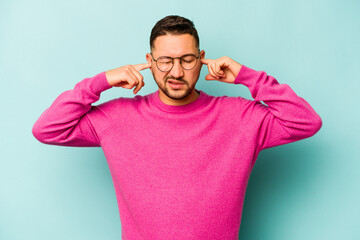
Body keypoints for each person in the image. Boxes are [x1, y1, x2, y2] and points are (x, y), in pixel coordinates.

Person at [32, 15, 322, 240]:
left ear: (200, 59)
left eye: (186, 60)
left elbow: (306, 121)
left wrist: (248, 77)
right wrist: (101, 82)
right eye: (165, 61)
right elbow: (47, 129)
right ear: (149, 62)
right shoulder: (117, 118)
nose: (176, 72)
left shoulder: (238, 117)